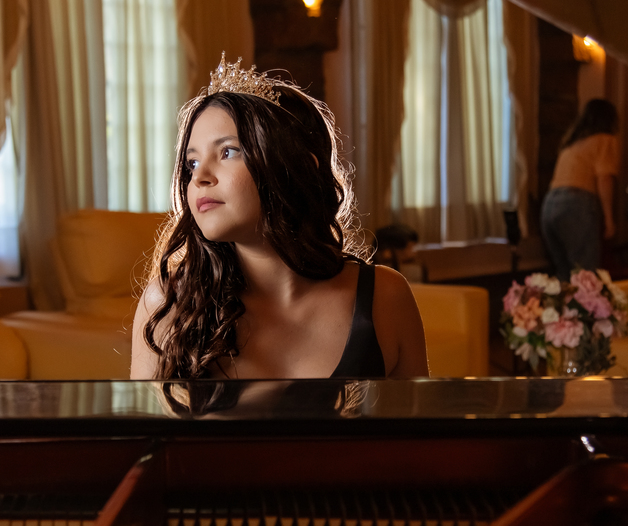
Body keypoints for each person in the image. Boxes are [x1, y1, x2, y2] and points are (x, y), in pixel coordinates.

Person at [130, 57, 429, 381]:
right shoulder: (167, 305)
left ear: (298, 167)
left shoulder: (386, 297)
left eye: (228, 152)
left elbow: (421, 417)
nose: (199, 177)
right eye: (192, 163)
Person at [541, 98, 620, 281]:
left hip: (550, 204)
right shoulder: (605, 140)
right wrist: (609, 219)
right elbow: (604, 178)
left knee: (564, 273)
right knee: (585, 274)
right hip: (576, 203)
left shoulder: (571, 143)